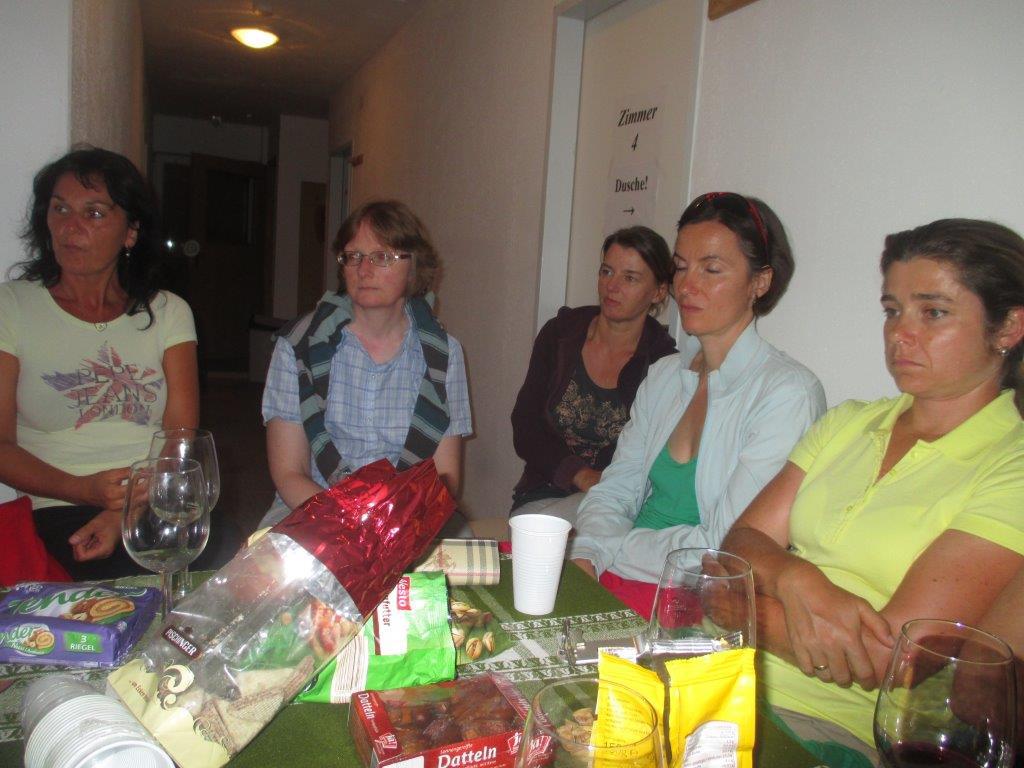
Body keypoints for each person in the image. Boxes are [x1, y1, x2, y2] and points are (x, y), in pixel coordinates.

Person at [722, 218, 1024, 766]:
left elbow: (886, 658)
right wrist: (795, 577)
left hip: (821, 723)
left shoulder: (1013, 464)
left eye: (933, 312)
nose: (899, 334)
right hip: (713, 667)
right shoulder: (850, 421)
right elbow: (738, 544)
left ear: (1008, 327)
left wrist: (729, 605)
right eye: (892, 311)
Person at [568, 192, 826, 617]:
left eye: (712, 269)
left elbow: (724, 547)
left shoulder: (787, 393)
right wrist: (587, 555)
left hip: (694, 601)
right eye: (682, 267)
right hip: (612, 571)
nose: (686, 287)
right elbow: (615, 490)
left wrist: (609, 547)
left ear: (760, 282)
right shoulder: (665, 375)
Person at [0, 146, 199, 580]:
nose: (70, 227)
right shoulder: (10, 306)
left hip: (156, 503)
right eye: (60, 209)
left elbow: (180, 438)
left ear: (130, 232)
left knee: (233, 568)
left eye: (93, 213)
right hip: (57, 506)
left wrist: (122, 514)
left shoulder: (168, 312)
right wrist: (83, 489)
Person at [260, 200, 472, 527]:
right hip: (314, 505)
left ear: (414, 267)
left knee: (465, 559)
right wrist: (350, 522)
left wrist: (393, 525)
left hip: (408, 514)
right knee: (266, 561)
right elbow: (290, 472)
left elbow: (445, 477)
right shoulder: (297, 346)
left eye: (382, 256)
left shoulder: (444, 354)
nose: (364, 270)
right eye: (353, 256)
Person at [510, 226, 676, 524]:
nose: (612, 286)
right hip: (544, 491)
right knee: (541, 526)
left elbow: (655, 457)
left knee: (575, 528)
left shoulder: (663, 364)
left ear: (659, 291)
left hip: (617, 502)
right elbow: (525, 426)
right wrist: (580, 475)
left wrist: (604, 487)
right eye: (606, 271)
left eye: (630, 278)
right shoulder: (560, 335)